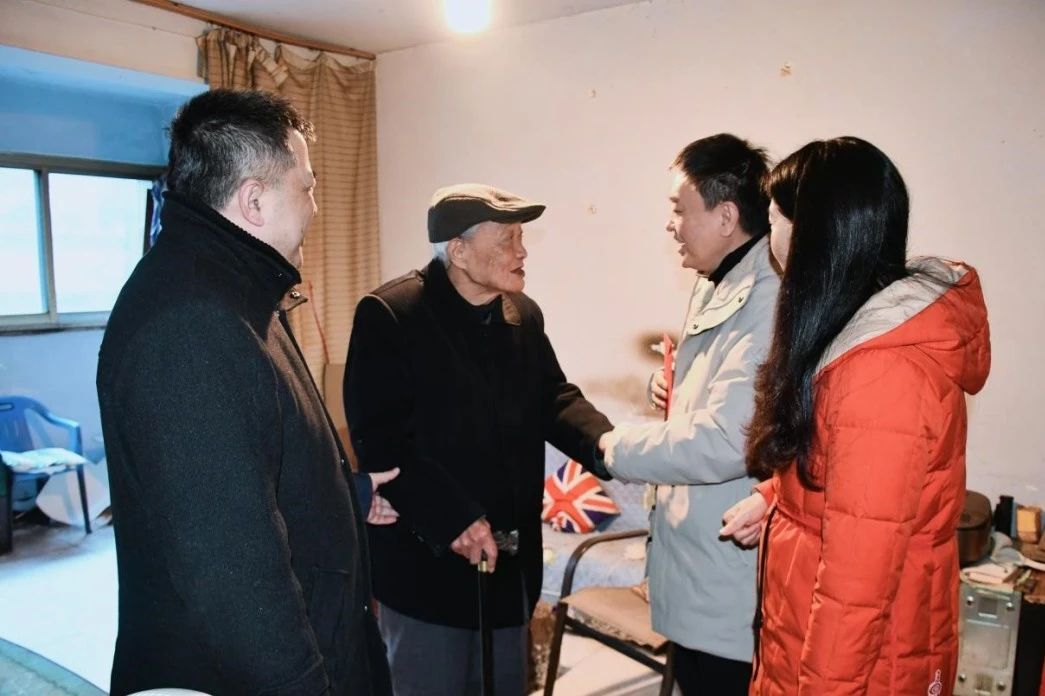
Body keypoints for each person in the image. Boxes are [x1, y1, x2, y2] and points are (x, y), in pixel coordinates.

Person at [97, 89, 396, 696]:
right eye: (306, 187)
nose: (315, 206)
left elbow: (248, 464)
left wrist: (346, 493)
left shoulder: (231, 290)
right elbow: (234, 577)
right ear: (254, 200)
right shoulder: (189, 326)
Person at [721, 137, 991, 695]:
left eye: (774, 222)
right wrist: (776, 497)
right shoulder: (857, 332)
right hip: (819, 640)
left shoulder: (880, 373)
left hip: (864, 666)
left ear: (814, 233)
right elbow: (859, 485)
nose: (770, 240)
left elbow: (857, 588)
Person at [343, 183, 613, 696]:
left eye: (522, 238)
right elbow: (382, 441)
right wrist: (455, 519)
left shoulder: (522, 314)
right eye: (508, 239)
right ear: (459, 250)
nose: (522, 251)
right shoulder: (392, 314)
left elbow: (552, 398)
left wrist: (609, 446)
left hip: (509, 572)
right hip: (428, 569)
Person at [595, 133, 778, 694]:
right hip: (695, 565)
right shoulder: (716, 282)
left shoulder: (768, 298)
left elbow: (727, 440)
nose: (670, 225)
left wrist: (614, 446)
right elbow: (727, 392)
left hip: (726, 580)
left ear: (726, 216)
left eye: (679, 209)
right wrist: (677, 389)